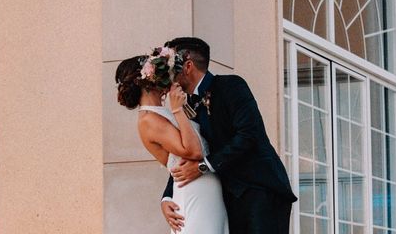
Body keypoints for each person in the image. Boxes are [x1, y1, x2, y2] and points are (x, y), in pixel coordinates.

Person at [160, 37, 297, 234]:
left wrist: (203, 166)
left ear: (188, 66)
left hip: (258, 189)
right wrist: (167, 198)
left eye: (172, 66)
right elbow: (186, 153)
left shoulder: (231, 86)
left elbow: (249, 134)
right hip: (226, 198)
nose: (169, 74)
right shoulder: (185, 104)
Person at [115, 49, 229, 234]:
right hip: (194, 191)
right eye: (159, 70)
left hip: (207, 190)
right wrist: (178, 111)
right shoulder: (148, 119)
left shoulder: (161, 112)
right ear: (147, 79)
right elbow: (194, 152)